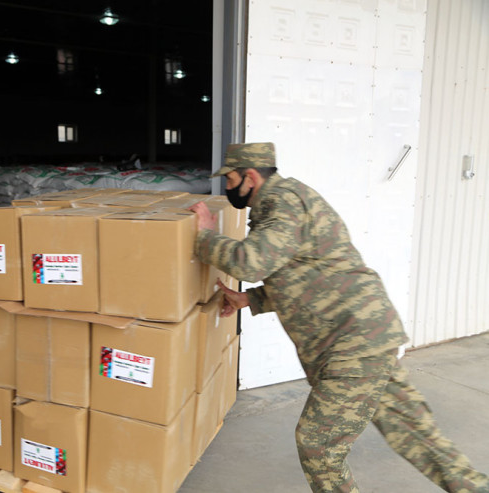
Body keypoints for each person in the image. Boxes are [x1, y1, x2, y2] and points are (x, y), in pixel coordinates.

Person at [190, 142, 489, 493]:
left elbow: (250, 261)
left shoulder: (283, 201)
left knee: (318, 443)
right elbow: (306, 273)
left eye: (230, 180)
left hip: (353, 342)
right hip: (367, 334)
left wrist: (206, 235)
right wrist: (249, 299)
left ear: (250, 176)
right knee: (416, 436)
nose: (227, 188)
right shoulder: (285, 201)